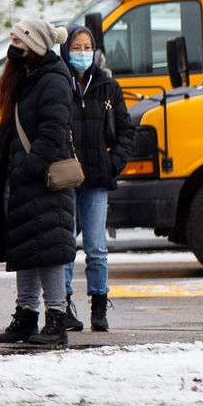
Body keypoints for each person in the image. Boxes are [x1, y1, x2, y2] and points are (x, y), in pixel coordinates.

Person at [0, 20, 79, 348]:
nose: (13, 46)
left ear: (34, 46)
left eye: (19, 41)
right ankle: (26, 316)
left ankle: (56, 319)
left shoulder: (53, 80)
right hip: (25, 179)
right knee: (25, 249)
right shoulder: (27, 77)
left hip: (43, 180)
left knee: (47, 253)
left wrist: (25, 171)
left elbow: (51, 134)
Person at [63, 24, 135, 331]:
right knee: (65, 247)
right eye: (76, 48)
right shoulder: (60, 84)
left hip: (96, 179)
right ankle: (62, 304)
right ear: (66, 51)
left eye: (87, 48)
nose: (82, 54)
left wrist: (112, 163)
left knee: (96, 248)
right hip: (65, 179)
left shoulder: (107, 86)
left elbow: (127, 130)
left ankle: (99, 307)